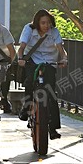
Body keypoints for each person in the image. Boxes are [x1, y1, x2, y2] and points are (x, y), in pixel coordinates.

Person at [17, 9, 68, 139]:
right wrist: (20, 58)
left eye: (48, 23)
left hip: (49, 62)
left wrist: (64, 59)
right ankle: (27, 108)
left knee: (51, 93)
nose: (46, 26)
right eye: (43, 23)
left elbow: (61, 50)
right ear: (37, 23)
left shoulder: (54, 32)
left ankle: (53, 129)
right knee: (29, 82)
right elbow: (22, 47)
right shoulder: (28, 29)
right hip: (32, 59)